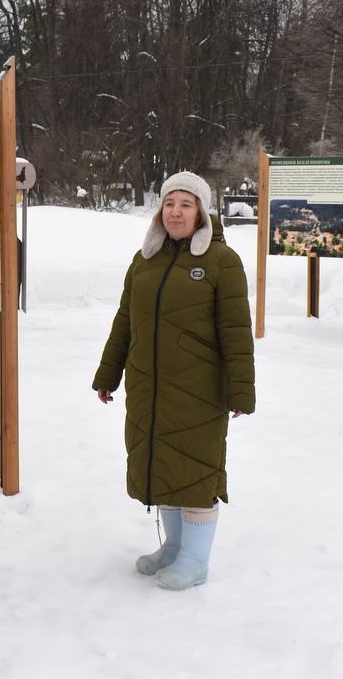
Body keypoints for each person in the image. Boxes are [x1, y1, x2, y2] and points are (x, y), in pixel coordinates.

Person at [92, 171, 255, 590]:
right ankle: (173, 548)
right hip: (149, 387)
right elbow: (125, 322)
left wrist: (240, 389)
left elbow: (236, 331)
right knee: (162, 466)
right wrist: (108, 373)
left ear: (202, 211)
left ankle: (195, 559)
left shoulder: (221, 261)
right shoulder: (144, 259)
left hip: (201, 391)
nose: (176, 212)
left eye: (186, 204)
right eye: (169, 204)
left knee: (197, 471)